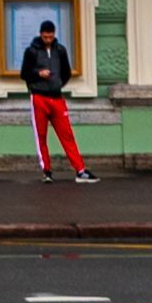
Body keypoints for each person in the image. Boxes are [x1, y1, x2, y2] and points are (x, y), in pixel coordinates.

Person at [15, 13, 89, 182]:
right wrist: (38, 74)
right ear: (41, 34)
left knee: (67, 134)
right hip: (39, 97)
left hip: (56, 97)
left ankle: (80, 169)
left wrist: (57, 84)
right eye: (45, 36)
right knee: (41, 136)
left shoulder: (60, 50)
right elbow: (24, 73)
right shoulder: (31, 51)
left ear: (54, 34)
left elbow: (67, 72)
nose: (48, 38)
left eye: (50, 35)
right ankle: (46, 171)